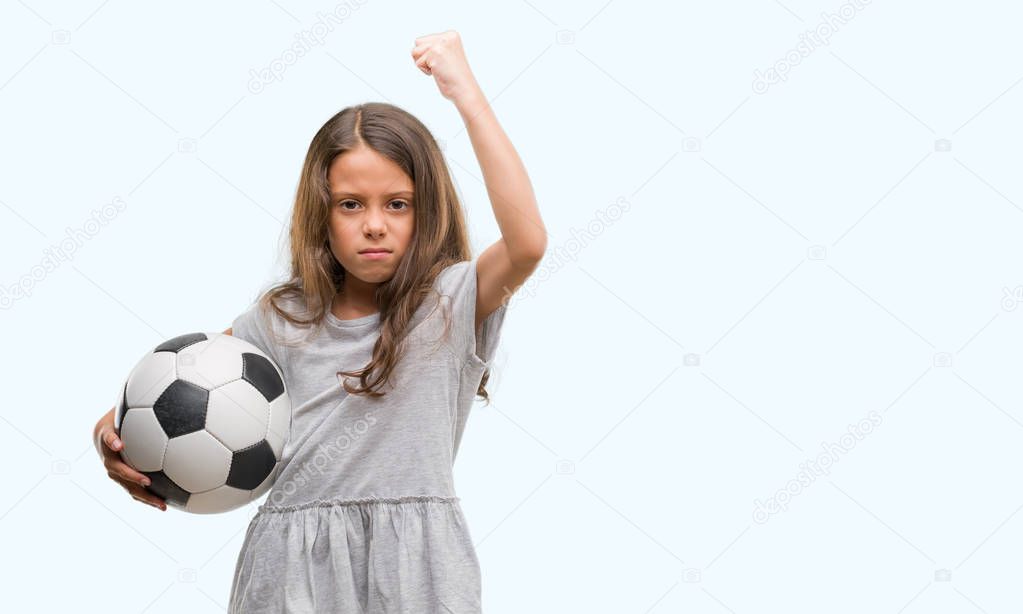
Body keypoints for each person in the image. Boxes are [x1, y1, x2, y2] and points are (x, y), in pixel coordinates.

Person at [92, 30, 547, 612]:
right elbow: (172, 385)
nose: (375, 224)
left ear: (425, 209)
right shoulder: (281, 319)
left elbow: (528, 242)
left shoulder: (451, 303)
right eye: (351, 204)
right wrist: (110, 436)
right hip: (291, 571)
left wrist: (466, 94)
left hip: (414, 571)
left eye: (397, 203)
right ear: (322, 213)